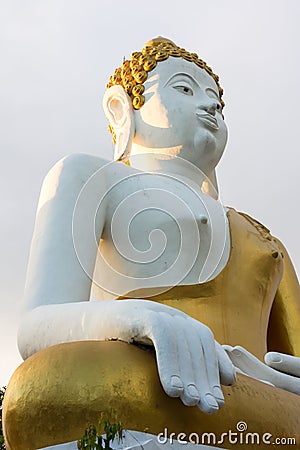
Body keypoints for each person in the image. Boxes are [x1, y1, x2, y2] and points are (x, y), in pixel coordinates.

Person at [3, 38, 300, 449]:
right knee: (46, 385)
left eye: (217, 101)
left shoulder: (263, 239)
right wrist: (137, 318)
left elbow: (293, 360)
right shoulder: (92, 177)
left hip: (252, 400)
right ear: (122, 107)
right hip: (143, 378)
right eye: (184, 89)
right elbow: (35, 327)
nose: (210, 107)